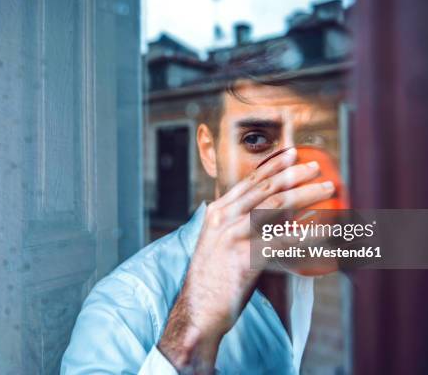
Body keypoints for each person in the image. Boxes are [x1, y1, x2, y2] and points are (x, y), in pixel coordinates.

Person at [61, 76, 337, 374]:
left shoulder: (316, 239)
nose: (290, 165)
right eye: (256, 139)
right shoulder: (126, 304)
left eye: (311, 138)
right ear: (209, 150)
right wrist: (189, 334)